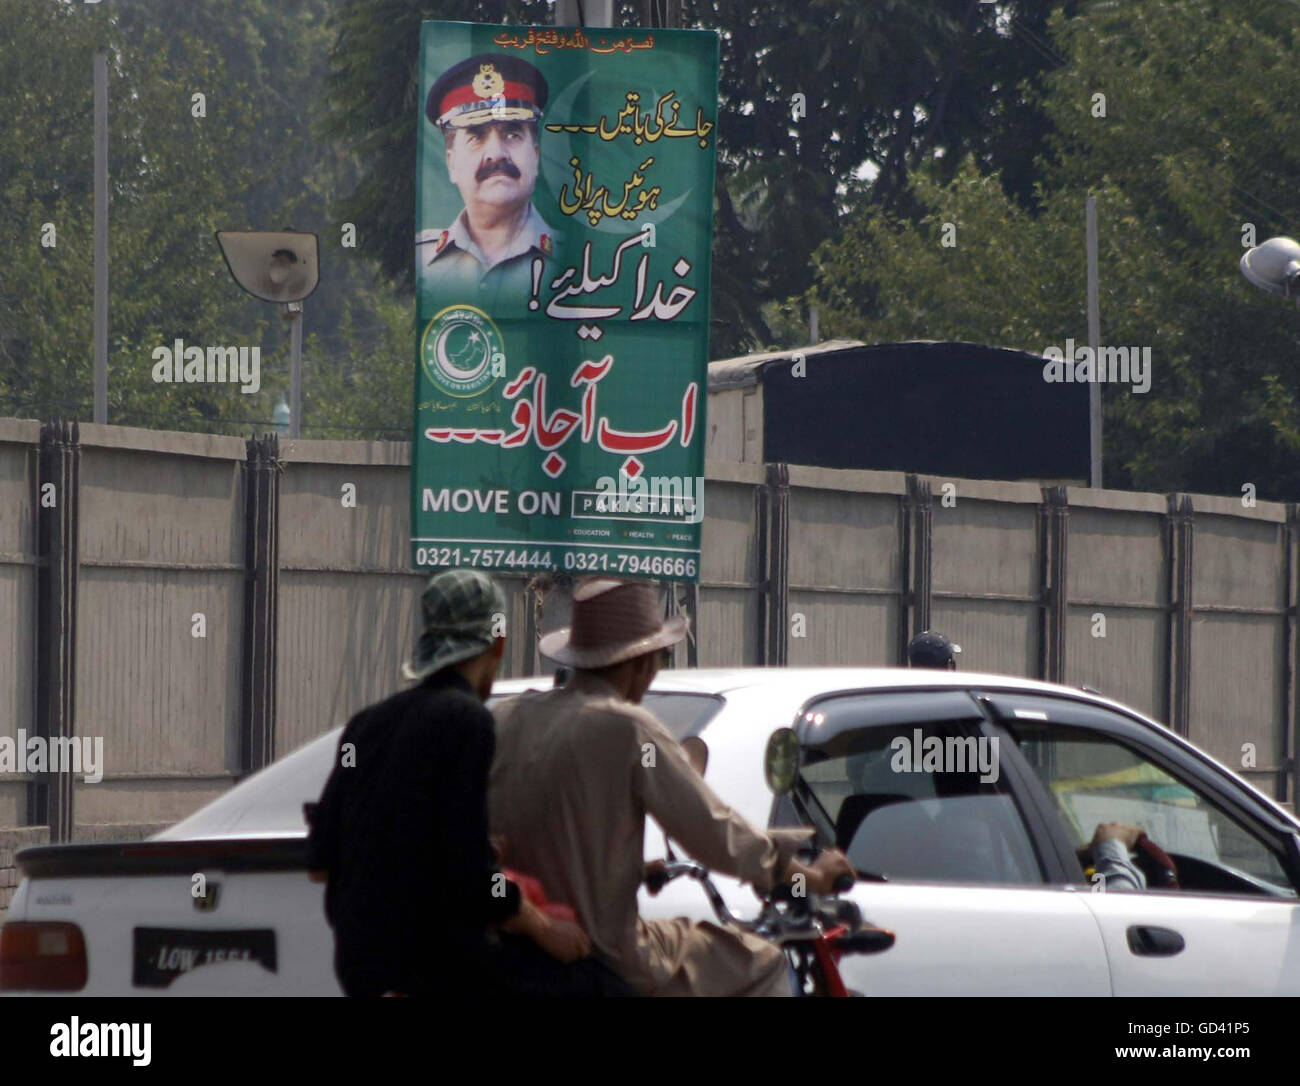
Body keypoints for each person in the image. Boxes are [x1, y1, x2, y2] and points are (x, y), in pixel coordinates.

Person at [488, 577, 856, 997]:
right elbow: (715, 834)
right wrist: (808, 875)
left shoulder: (508, 719)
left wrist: (630, 871)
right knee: (763, 961)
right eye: (658, 659)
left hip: (510, 942)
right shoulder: (627, 729)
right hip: (608, 951)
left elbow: (535, 836)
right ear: (640, 664)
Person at [305, 568, 589, 996]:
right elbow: (475, 878)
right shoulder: (467, 721)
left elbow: (320, 864)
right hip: (439, 970)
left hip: (363, 971)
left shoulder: (366, 725)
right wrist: (545, 926)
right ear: (498, 642)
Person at [417, 53, 561, 308]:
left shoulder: (574, 258)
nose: (496, 153)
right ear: (451, 163)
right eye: (476, 137)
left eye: (512, 134)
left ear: (535, 156)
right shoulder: (421, 259)